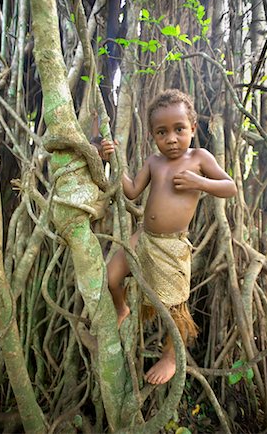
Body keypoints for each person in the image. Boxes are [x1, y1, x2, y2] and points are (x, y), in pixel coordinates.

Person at [100, 89, 237, 385]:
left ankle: (171, 357)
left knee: (174, 307)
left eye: (179, 129)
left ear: (193, 127)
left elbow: (230, 187)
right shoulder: (154, 162)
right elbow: (132, 191)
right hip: (143, 237)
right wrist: (111, 162)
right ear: (152, 135)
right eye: (162, 132)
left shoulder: (199, 157)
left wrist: (199, 181)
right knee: (110, 277)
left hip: (172, 246)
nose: (171, 138)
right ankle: (121, 306)